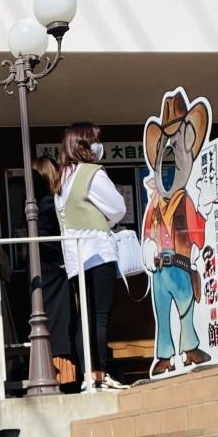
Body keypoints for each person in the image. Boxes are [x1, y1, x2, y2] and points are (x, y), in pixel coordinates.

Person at [56, 122, 127, 390]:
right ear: (85, 144)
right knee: (99, 317)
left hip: (75, 259)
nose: (100, 145)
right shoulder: (91, 173)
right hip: (98, 252)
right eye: (96, 140)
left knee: (84, 318)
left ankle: (88, 374)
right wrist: (106, 223)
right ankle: (99, 373)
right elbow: (118, 208)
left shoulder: (63, 177)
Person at [29, 156, 77, 387]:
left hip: (42, 273)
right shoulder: (51, 204)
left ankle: (58, 372)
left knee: (49, 321)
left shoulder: (37, 205)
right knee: (60, 322)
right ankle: (66, 376)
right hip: (55, 272)